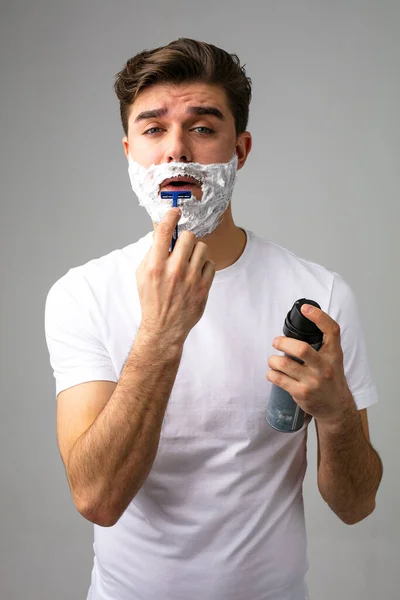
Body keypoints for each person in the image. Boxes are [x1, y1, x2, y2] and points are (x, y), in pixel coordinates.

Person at [44, 38, 383, 600]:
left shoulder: (318, 295)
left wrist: (338, 413)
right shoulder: (83, 294)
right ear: (129, 151)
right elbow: (98, 499)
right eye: (153, 130)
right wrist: (160, 334)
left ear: (240, 149)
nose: (176, 151)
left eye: (202, 128)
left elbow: (357, 505)